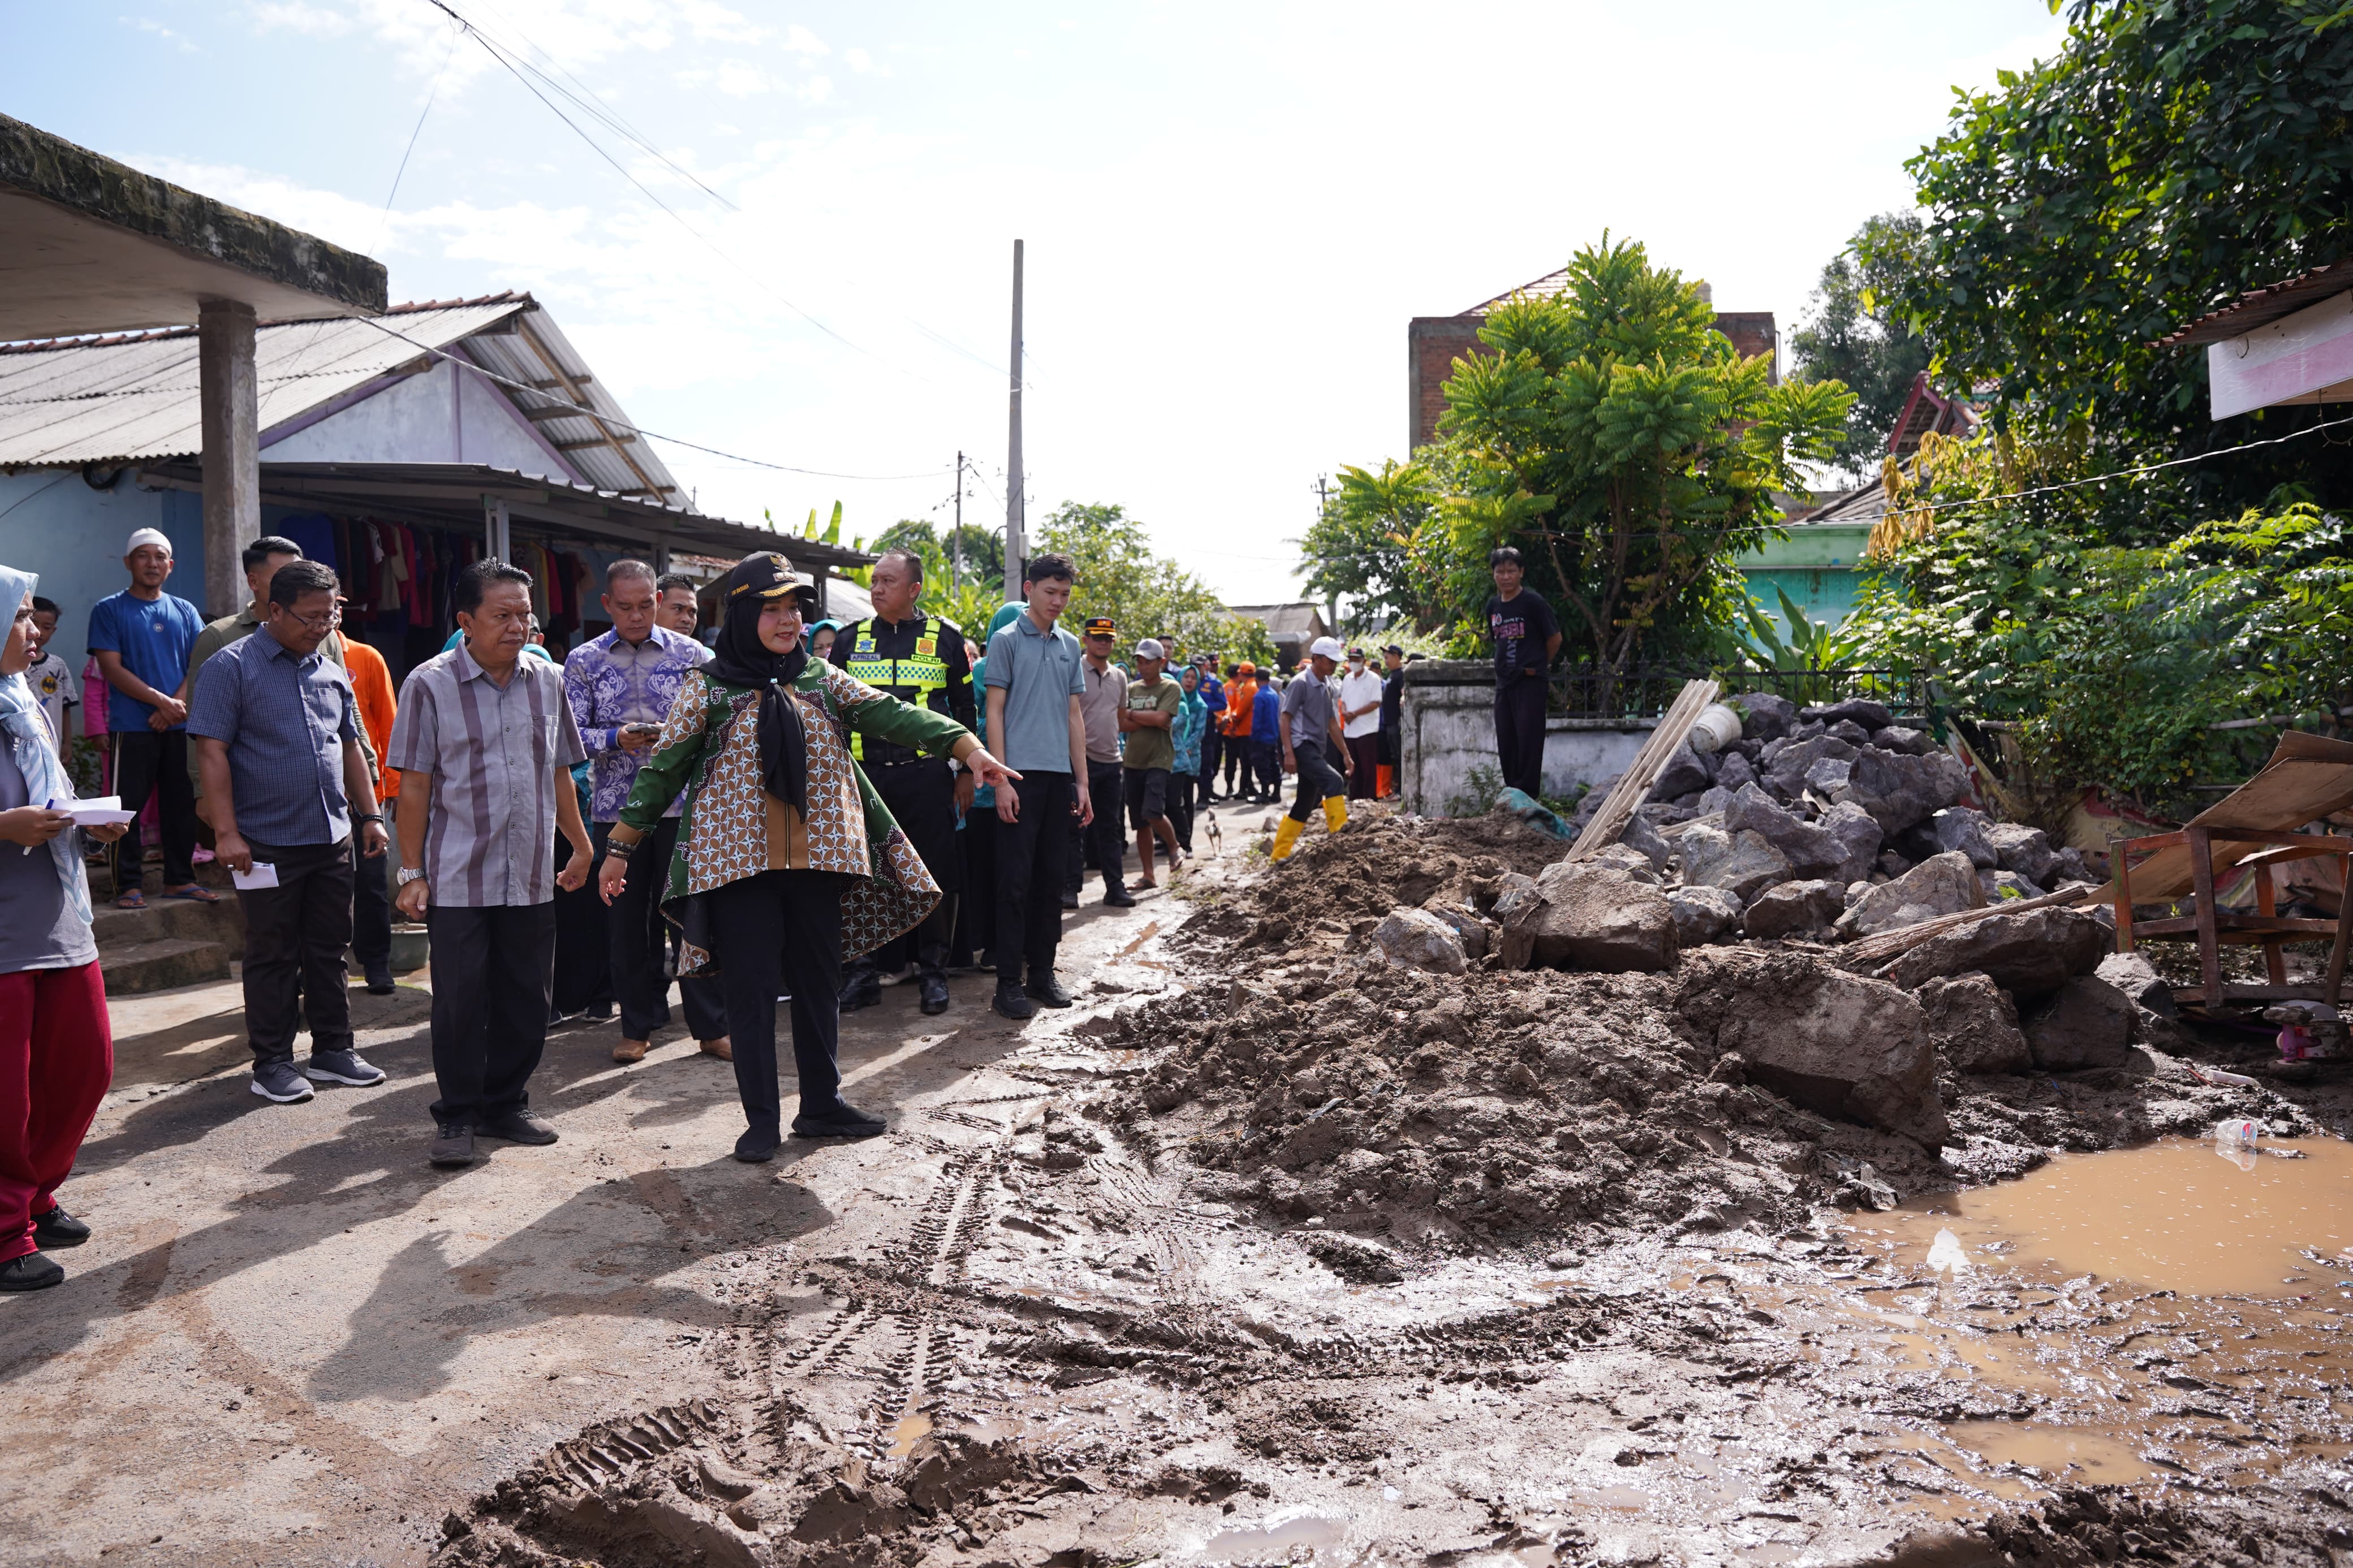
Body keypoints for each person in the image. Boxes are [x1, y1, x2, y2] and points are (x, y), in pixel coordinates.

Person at [596, 554, 1018, 1160]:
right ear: (744, 615)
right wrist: (620, 851)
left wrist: (968, 749)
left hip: (821, 865)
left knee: (819, 987)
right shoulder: (709, 687)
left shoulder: (821, 679)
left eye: (793, 608)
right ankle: (760, 1121)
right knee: (751, 992)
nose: (787, 620)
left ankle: (821, 1106)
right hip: (738, 871)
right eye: (771, 609)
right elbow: (661, 772)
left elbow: (894, 714)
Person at [388, 561, 594, 1169]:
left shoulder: (547, 679)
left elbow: (558, 771)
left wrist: (580, 845)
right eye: (501, 615)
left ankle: (506, 1103)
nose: (517, 626)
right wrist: (410, 872)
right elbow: (415, 786)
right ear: (465, 621)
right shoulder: (428, 684)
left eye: (524, 614)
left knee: (528, 996)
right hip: (457, 874)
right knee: (459, 999)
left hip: (530, 870)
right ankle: (456, 1114)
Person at [188, 560, 390, 1105]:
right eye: (311, 616)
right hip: (264, 842)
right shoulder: (231, 667)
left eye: (331, 614)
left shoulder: (328, 669)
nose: (322, 626)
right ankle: (273, 1061)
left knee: (329, 948)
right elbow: (211, 750)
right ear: (273, 610)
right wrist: (226, 832)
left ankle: (333, 1049)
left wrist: (370, 815)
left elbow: (351, 744)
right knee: (272, 952)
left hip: (331, 836)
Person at [0, 567, 130, 1292]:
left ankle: (34, 1194)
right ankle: (3, 1231)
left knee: (84, 1068)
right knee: (4, 1095)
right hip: (3, 935)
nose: (34, 630)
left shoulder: (25, 702)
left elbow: (54, 796)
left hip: (56, 915)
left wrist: (89, 823)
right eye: (20, 617)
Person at [562, 559, 731, 1064]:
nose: (636, 616)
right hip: (616, 811)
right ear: (608, 604)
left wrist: (675, 738)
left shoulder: (696, 655)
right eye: (625, 607)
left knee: (693, 919)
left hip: (684, 809)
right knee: (627, 925)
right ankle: (636, 1026)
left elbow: (721, 727)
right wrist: (617, 737)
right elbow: (568, 739)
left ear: (658, 602)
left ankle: (710, 1027)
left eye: (645, 605)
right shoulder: (583, 661)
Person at [830, 547, 975, 1018]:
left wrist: (967, 772)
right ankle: (862, 974)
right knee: (860, 875)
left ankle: (933, 974)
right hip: (863, 780)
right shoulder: (850, 641)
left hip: (927, 778)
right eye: (874, 581)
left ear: (914, 589)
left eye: (888, 581)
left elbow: (965, 714)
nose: (876, 589)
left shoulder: (947, 640)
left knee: (936, 873)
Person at [983, 555, 1092, 1020]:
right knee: (1014, 881)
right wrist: (1001, 777)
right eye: (1051, 592)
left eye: (1065, 594)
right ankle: (1007, 982)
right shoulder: (1006, 640)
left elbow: (1074, 716)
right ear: (1029, 588)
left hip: (1057, 777)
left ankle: (1042, 973)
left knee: (1053, 880)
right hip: (1018, 777)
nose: (1058, 601)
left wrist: (1082, 780)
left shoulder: (1070, 645)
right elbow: (994, 711)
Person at [86, 528, 210, 910]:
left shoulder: (185, 610)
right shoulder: (109, 609)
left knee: (181, 804)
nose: (152, 563)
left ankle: (180, 879)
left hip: (179, 724)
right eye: (143, 556)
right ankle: (128, 885)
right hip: (131, 725)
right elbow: (111, 667)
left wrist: (174, 705)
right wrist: (161, 703)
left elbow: (200, 663)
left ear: (170, 566)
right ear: (128, 563)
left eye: (160, 557)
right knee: (126, 808)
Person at [341, 633, 400, 994]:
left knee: (372, 883)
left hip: (366, 795)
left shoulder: (367, 657)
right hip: (317, 796)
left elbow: (388, 721)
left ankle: (377, 963)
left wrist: (392, 785)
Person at [1486, 546, 1561, 799]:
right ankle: (1513, 796)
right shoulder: (1493, 606)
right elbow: (1497, 642)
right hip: (1504, 685)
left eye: (1511, 571)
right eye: (1500, 571)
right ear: (1494, 574)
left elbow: (1555, 639)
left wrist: (1539, 665)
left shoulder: (1533, 602)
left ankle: (1529, 799)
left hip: (1530, 682)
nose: (1506, 576)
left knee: (1529, 741)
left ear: (1521, 573)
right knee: (1507, 741)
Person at [1272, 637, 1354, 861]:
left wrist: (1346, 754)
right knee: (1334, 782)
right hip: (1301, 745)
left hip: (1316, 747)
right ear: (1316, 659)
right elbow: (1285, 719)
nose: (1334, 666)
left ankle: (1279, 855)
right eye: (1330, 661)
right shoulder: (1300, 683)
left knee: (1305, 803)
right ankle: (1341, 845)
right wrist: (1289, 753)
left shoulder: (1327, 685)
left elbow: (1332, 723)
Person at [1074, 616, 1134, 909]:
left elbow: (1121, 718)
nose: (1104, 642)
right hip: (1079, 760)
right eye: (1098, 637)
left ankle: (1115, 887)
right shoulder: (1074, 670)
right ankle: (1070, 889)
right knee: (1075, 827)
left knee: (1111, 828)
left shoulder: (1120, 677)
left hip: (1112, 761)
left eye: (1108, 638)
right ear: (1086, 639)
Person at [1119, 638, 1184, 887]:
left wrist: (1134, 715)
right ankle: (1148, 875)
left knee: (1153, 812)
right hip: (1133, 759)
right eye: (1140, 661)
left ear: (1162, 662)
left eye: (1148, 662)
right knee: (1139, 821)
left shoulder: (1170, 687)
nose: (1143, 666)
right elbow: (1121, 724)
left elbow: (1161, 718)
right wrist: (1150, 718)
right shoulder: (1131, 688)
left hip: (1160, 758)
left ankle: (1174, 845)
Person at [23, 598, 76, 762]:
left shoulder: (57, 666)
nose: (39, 632)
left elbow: (65, 707)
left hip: (50, 743)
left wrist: (67, 742)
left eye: (46, 627)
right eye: (33, 623)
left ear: (54, 630)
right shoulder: (10, 663)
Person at [1169, 663, 1208, 854]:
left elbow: (1199, 732)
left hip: (1190, 757)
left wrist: (1184, 749)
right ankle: (1170, 839)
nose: (1190, 681)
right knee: (1172, 800)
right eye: (1187, 677)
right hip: (1171, 757)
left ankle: (1186, 841)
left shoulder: (1201, 705)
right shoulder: (1172, 702)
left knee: (1186, 798)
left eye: (1193, 677)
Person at [1337, 646, 1385, 801]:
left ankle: (1370, 800)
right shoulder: (1347, 679)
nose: (1353, 663)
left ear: (1364, 661)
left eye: (1356, 660)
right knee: (1353, 769)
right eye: (1351, 660)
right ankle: (1355, 799)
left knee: (1368, 769)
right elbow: (1343, 701)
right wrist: (1345, 713)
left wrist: (1354, 714)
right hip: (1350, 730)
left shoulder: (1373, 679)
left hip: (1367, 730)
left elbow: (1376, 703)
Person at [1219, 661, 1257, 800]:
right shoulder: (1230, 687)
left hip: (1239, 729)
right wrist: (1231, 726)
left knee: (1244, 761)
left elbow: (1240, 711)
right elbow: (1230, 709)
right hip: (1232, 730)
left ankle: (1247, 787)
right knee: (1233, 761)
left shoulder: (1244, 688)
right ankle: (1232, 787)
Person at [1248, 671, 1284, 804]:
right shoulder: (1274, 694)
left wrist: (1254, 736)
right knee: (1274, 764)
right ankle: (1276, 793)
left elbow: (1257, 719)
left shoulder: (1259, 696)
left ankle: (1264, 793)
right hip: (1273, 735)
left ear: (1257, 680)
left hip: (1262, 737)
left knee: (1261, 765)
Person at [1193, 655, 1225, 802]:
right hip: (1190, 728)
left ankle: (1204, 796)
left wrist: (1204, 708)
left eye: (1199, 666)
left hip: (1207, 726)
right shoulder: (1188, 680)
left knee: (1206, 761)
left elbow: (1222, 704)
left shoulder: (1214, 683)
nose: (1197, 669)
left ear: (1205, 666)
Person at [1378, 643, 1407, 799]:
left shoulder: (1401, 674)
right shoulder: (1393, 674)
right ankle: (1398, 791)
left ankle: (1401, 792)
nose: (1385, 661)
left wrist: (1403, 698)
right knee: (1396, 757)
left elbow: (1404, 693)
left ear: (1396, 656)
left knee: (1400, 757)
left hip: (1396, 723)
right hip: (1389, 724)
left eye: (1387, 657)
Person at [654, 572, 702, 638]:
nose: (687, 620)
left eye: (692, 612)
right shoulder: (638, 648)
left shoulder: (700, 649)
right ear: (656, 605)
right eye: (678, 609)